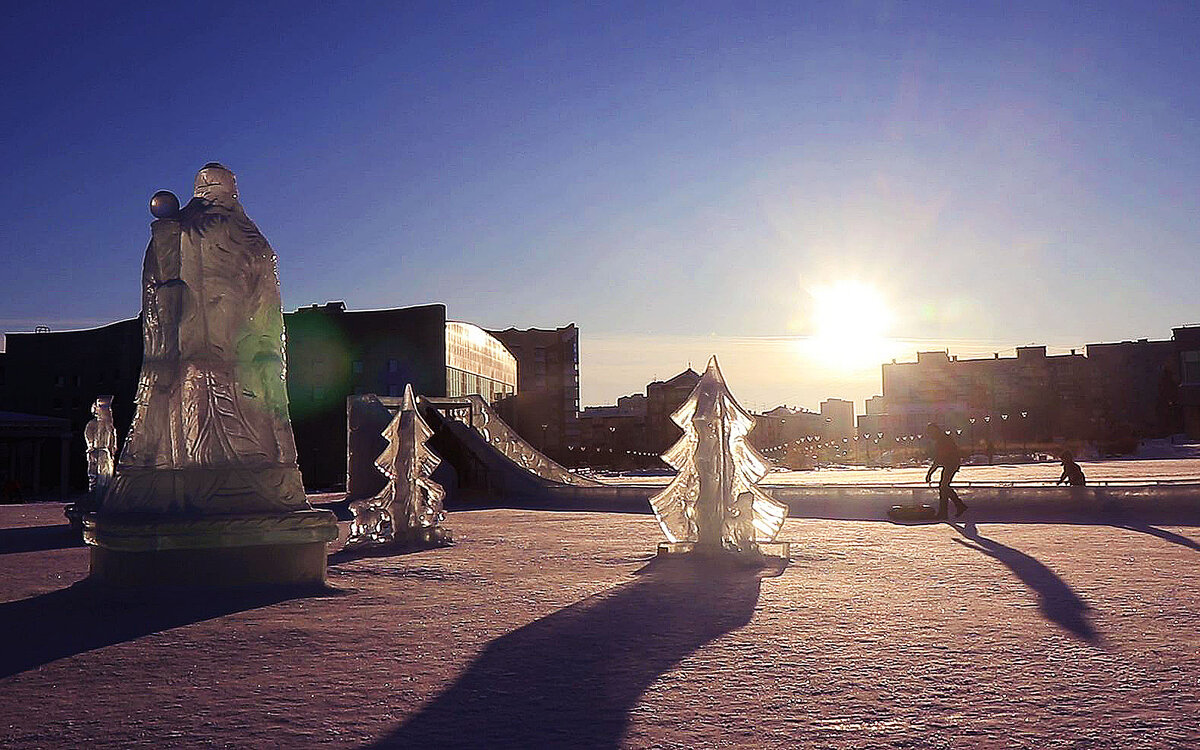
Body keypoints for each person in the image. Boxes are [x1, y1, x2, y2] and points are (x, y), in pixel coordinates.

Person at [925, 422, 968, 519]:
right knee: (943, 487)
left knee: (943, 487)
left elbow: (938, 458)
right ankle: (950, 510)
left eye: (930, 433)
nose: (930, 435)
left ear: (934, 431)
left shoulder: (942, 440)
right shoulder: (942, 438)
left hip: (951, 464)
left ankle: (955, 507)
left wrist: (930, 473)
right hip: (950, 464)